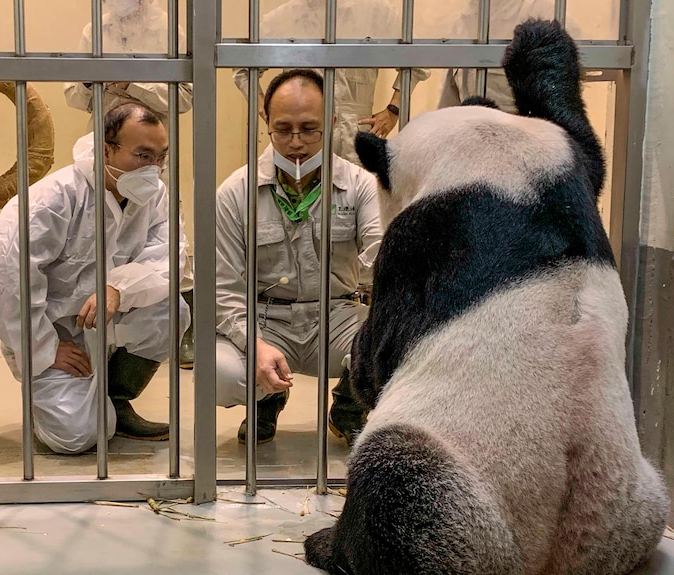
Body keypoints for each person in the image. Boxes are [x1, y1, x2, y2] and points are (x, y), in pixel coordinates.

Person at [0, 102, 189, 455]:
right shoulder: (54, 198)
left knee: (172, 310)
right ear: (106, 149)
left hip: (111, 314)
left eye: (160, 156)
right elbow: (7, 279)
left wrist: (120, 287)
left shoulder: (155, 197)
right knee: (75, 437)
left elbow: (169, 257)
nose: (154, 169)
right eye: (142, 155)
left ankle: (116, 398)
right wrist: (43, 347)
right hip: (56, 331)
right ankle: (54, 392)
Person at [216, 69, 384, 447]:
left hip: (337, 315)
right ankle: (267, 398)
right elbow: (222, 289)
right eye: (283, 129)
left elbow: (382, 254)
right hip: (265, 318)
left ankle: (349, 404)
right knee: (219, 374)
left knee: (405, 347)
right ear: (266, 123)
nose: (296, 143)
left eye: (310, 129)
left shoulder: (360, 186)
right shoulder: (235, 192)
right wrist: (254, 344)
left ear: (333, 123)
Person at [63, 0, 197, 370]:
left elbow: (185, 95)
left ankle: (182, 327)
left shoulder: (171, 30)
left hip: (146, 152)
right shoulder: (95, 29)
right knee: (97, 227)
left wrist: (130, 82)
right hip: (105, 150)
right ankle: (92, 316)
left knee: (162, 233)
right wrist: (90, 82)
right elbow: (72, 95)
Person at [232, 0, 429, 163]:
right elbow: (242, 66)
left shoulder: (376, 13)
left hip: (355, 137)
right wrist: (265, 109)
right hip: (299, 136)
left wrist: (394, 110)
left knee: (356, 203)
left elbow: (420, 58)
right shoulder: (286, 16)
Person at [438, 0, 585, 113]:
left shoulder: (546, 13)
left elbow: (561, 104)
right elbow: (449, 104)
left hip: (524, 144)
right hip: (471, 141)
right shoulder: (463, 22)